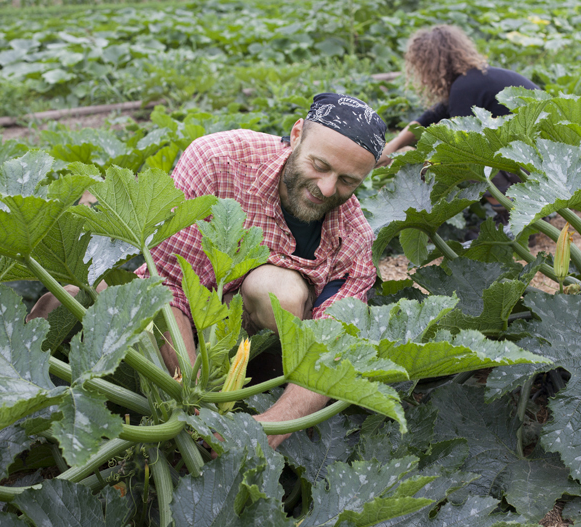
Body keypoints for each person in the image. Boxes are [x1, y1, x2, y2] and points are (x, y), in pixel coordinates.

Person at [29, 93, 386, 450]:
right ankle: (38, 360)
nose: (326, 188)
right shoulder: (218, 160)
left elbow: (333, 350)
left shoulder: (353, 239)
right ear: (296, 135)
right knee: (86, 298)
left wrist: (267, 431)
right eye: (320, 165)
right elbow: (168, 284)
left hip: (260, 359)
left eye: (347, 181)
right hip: (185, 329)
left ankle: (232, 393)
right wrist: (194, 401)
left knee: (281, 292)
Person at [377, 24, 539, 182]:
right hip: (541, 152)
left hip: (533, 161)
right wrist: (392, 146)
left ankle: (505, 207)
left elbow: (460, 146)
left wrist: (415, 160)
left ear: (435, 66)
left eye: (423, 69)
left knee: (469, 166)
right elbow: (429, 117)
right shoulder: (473, 79)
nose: (424, 79)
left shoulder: (464, 88)